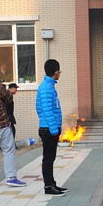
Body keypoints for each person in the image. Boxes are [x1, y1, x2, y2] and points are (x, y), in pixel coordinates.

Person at [36, 59, 67, 196]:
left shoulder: (49, 86)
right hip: (48, 129)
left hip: (50, 128)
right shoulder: (46, 88)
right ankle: (48, 186)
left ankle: (52, 183)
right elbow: (47, 110)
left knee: (50, 158)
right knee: (48, 159)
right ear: (56, 72)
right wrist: (54, 130)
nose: (59, 74)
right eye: (59, 72)